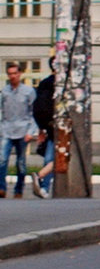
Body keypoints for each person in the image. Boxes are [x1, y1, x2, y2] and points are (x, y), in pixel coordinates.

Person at [0, 62, 37, 199]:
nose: (13, 76)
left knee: (21, 162)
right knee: (2, 160)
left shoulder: (28, 91)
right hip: (7, 130)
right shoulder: (5, 91)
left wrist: (31, 131)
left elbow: (34, 112)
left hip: (23, 130)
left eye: (15, 73)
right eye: (10, 74)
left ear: (20, 74)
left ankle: (18, 189)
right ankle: (1, 188)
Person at [30, 57, 55, 198]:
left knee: (50, 157)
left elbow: (37, 108)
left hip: (49, 127)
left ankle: (43, 185)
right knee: (62, 156)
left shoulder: (44, 83)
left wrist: (42, 127)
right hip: (63, 127)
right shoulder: (62, 84)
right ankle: (41, 178)